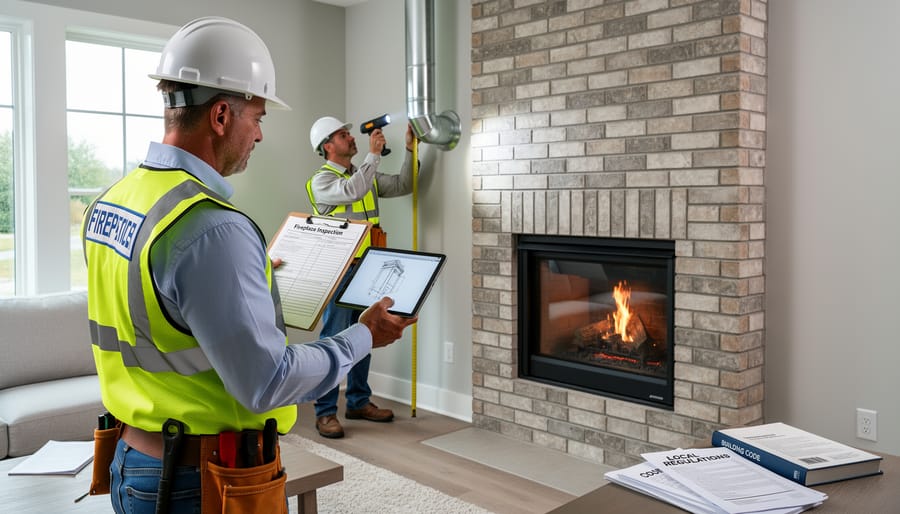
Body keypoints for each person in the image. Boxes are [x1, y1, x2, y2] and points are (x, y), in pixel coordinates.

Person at [81, 17, 416, 514]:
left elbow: (158, 313)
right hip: (200, 480)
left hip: (132, 461)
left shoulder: (111, 202)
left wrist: (246, 278)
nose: (259, 134)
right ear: (221, 115)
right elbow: (268, 381)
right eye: (257, 117)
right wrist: (365, 334)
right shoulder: (212, 228)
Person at [306, 115, 420, 438]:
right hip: (339, 270)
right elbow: (352, 191)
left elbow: (404, 184)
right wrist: (373, 154)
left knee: (365, 333)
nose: (351, 137)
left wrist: (409, 149)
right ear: (328, 146)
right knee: (334, 338)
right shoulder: (321, 181)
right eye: (343, 135)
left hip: (368, 267)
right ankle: (325, 411)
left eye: (348, 133)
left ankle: (357, 401)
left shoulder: (364, 174)